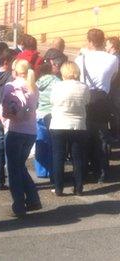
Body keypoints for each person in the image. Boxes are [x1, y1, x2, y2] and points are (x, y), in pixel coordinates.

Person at [75, 29, 119, 183]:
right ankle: (102, 172)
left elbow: (76, 77)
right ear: (102, 40)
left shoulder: (81, 59)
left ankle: (84, 171)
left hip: (85, 98)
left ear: (89, 41)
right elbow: (113, 77)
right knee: (102, 137)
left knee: (84, 137)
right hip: (103, 99)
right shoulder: (113, 59)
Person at [0, 59, 42, 217]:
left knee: (13, 170)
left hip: (15, 130)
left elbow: (5, 110)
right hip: (30, 132)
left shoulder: (11, 86)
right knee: (19, 166)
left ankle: (18, 206)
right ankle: (33, 199)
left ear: (15, 71)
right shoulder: (34, 86)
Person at [50, 62, 90, 196]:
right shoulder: (84, 87)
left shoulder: (57, 86)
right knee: (77, 158)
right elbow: (87, 102)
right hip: (78, 125)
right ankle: (78, 187)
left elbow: (52, 101)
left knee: (58, 157)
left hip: (59, 123)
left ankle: (58, 188)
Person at [34, 48, 66, 179]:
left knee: (41, 142)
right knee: (53, 145)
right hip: (52, 115)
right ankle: (53, 171)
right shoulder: (57, 82)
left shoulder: (39, 80)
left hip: (39, 114)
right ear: (54, 65)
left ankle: (41, 171)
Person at [0, 49, 15, 190]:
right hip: (8, 117)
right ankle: (12, 179)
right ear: (6, 62)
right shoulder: (11, 78)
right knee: (10, 150)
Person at [106, 37, 120, 140]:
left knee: (115, 112)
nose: (105, 46)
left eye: (107, 44)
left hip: (115, 89)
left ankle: (116, 134)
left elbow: (113, 75)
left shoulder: (115, 58)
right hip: (115, 88)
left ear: (112, 46)